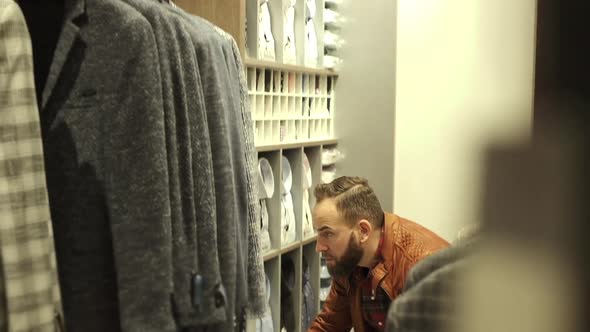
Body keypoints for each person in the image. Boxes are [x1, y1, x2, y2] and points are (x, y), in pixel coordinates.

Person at [308, 176, 450, 332]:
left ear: (363, 231)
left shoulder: (422, 267)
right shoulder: (349, 259)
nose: (319, 247)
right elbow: (329, 326)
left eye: (327, 233)